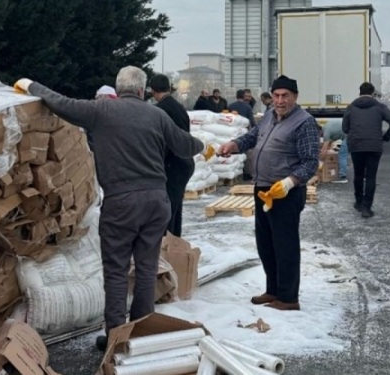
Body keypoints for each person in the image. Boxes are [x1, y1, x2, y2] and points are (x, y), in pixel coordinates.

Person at [13, 67, 213, 351]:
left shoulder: (101, 111)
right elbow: (184, 144)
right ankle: (142, 335)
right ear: (143, 91)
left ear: (118, 91)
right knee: (146, 269)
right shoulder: (157, 115)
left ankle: (117, 339)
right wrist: (205, 147)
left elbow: (61, 103)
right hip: (157, 202)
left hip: (122, 203)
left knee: (117, 271)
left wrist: (31, 84)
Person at [218, 75, 320, 311]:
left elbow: (310, 162)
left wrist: (289, 182)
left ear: (295, 97)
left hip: (285, 192)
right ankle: (273, 289)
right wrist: (233, 145)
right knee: (266, 244)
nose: (280, 100)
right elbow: (251, 138)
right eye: (276, 95)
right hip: (263, 189)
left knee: (285, 245)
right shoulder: (268, 117)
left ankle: (288, 297)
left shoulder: (304, 122)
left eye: (285, 96)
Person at [342, 82, 390, 218]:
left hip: (356, 146)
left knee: (358, 174)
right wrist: (385, 137)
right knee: (371, 177)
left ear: (359, 92)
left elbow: (345, 128)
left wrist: (354, 133)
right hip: (374, 146)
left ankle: (358, 202)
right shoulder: (380, 107)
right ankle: (367, 208)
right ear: (373, 93)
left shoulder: (351, 108)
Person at [149, 74, 196, 237]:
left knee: (167, 209)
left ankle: (169, 247)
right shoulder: (178, 106)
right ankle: (176, 242)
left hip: (173, 165)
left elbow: (163, 141)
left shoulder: (161, 110)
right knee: (175, 207)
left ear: (153, 91)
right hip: (184, 162)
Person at [321, 118, 348, 184]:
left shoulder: (326, 132)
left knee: (342, 155)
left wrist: (321, 160)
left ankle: (342, 175)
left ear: (319, 131)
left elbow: (324, 148)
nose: (320, 137)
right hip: (350, 131)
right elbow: (329, 143)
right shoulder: (327, 127)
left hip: (349, 135)